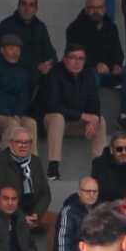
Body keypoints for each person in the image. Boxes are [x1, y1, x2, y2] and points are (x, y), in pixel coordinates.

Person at [43, 45, 107, 181]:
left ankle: (99, 168)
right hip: (50, 123)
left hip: (73, 125)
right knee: (58, 117)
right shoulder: (54, 73)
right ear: (65, 59)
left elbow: (95, 103)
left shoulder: (88, 74)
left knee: (100, 120)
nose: (77, 62)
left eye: (81, 58)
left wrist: (93, 119)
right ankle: (53, 168)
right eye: (72, 58)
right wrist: (82, 116)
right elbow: (52, 105)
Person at [0, 125, 55, 244]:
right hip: (8, 211)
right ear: (11, 143)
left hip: (33, 211)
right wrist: (21, 217)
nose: (23, 145)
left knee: (55, 221)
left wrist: (36, 214)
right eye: (19, 142)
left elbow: (45, 194)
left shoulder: (35, 161)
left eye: (27, 142)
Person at [0, 33, 36, 149]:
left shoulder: (23, 69)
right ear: (2, 50)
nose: (15, 53)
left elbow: (24, 97)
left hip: (15, 116)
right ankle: (8, 164)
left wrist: (17, 114)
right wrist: (9, 115)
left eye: (18, 49)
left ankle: (31, 163)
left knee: (31, 123)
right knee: (12, 124)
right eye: (11, 49)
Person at [65, 0, 123, 88]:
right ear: (86, 9)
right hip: (87, 71)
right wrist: (96, 65)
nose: (96, 11)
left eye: (99, 7)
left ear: (104, 9)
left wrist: (116, 65)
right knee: (92, 75)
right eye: (92, 7)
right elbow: (75, 57)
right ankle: (92, 103)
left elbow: (118, 52)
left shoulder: (111, 27)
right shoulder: (74, 28)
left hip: (109, 70)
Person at [0, 0, 56, 79]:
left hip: (39, 74)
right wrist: (36, 66)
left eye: (31, 5)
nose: (27, 8)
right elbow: (7, 56)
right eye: (23, 4)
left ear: (36, 9)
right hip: (14, 74)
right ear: (18, 6)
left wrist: (50, 63)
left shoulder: (40, 26)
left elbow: (49, 51)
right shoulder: (6, 25)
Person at [54, 177, 100, 251]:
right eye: (88, 191)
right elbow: (63, 245)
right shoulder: (68, 212)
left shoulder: (100, 212)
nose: (92, 194)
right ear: (79, 192)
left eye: (95, 191)